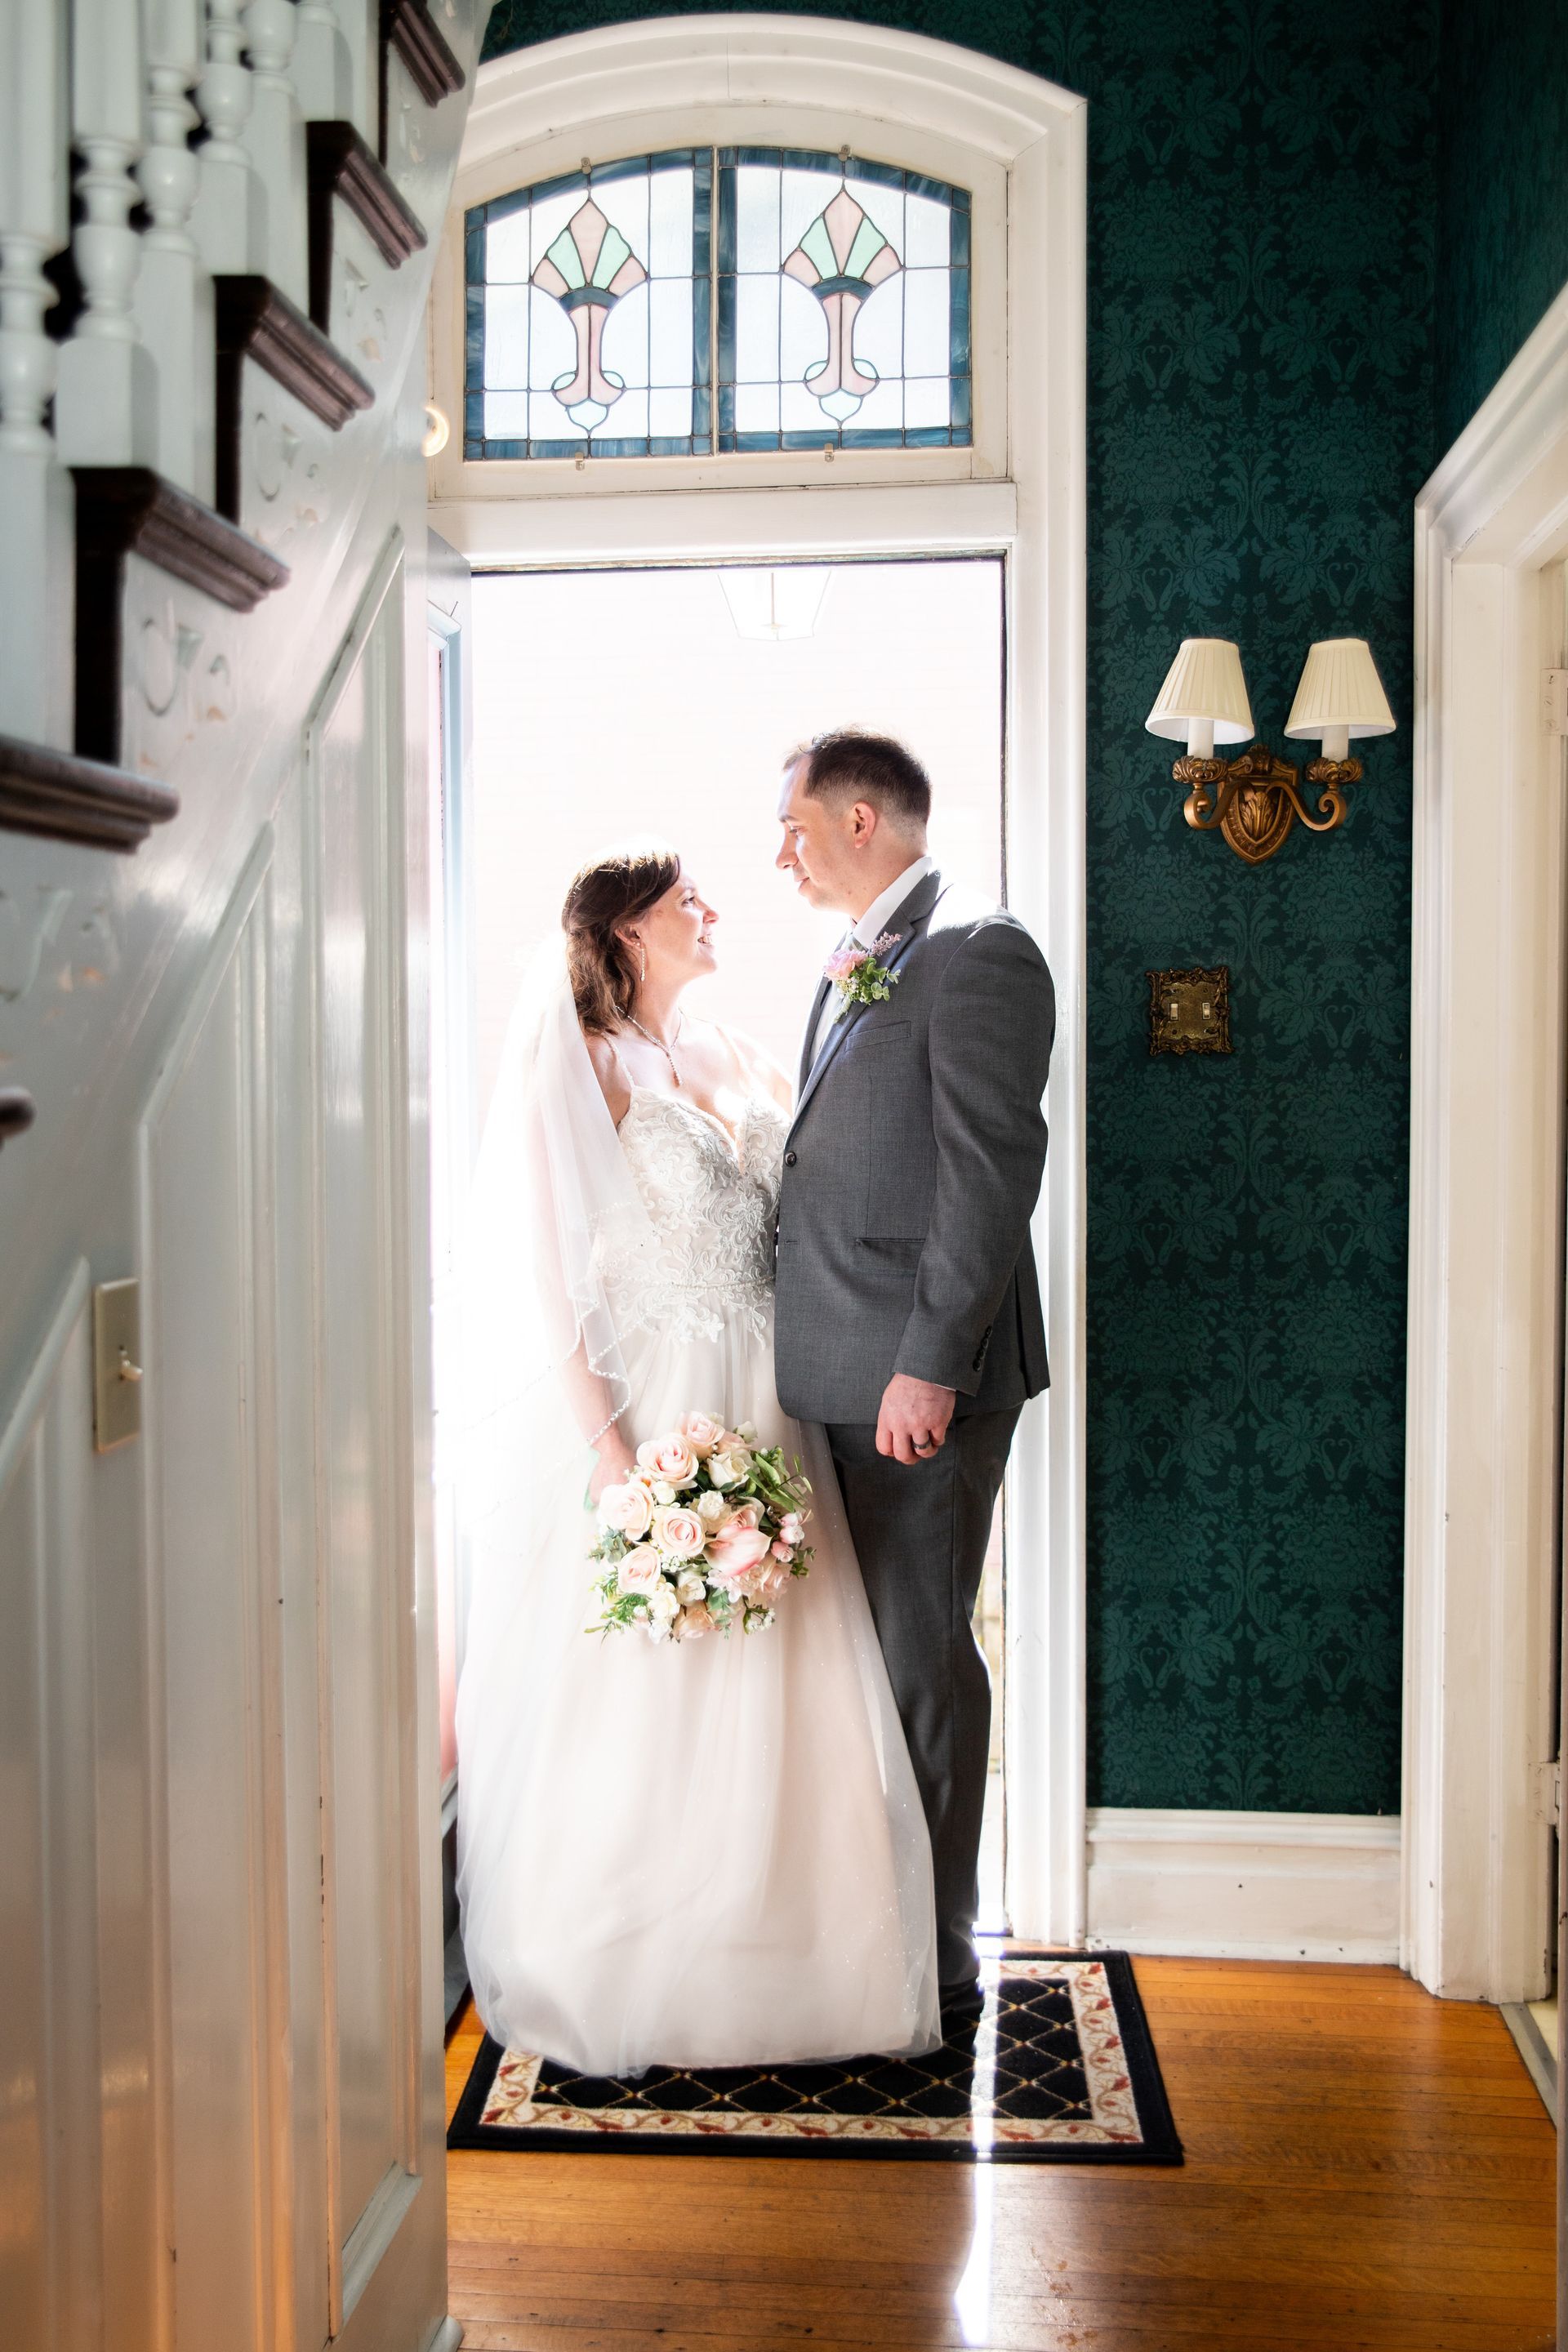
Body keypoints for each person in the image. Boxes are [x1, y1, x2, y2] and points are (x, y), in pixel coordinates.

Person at [454, 842, 938, 2078]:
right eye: (686, 903)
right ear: (626, 933)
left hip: (774, 1390)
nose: (710, 910)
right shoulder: (579, 1068)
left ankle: (787, 1946)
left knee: (791, 1664)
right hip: (664, 1399)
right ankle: (640, 1952)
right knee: (664, 1676)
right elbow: (551, 1286)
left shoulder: (730, 1053)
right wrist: (616, 1458)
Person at [773, 731, 1054, 2010]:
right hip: (830, 1377)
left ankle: (939, 1966)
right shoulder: (852, 969)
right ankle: (874, 1934)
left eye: (795, 824)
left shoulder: (976, 953)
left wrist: (931, 1366)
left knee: (921, 1662)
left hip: (911, 1383)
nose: (781, 850)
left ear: (864, 818)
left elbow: (991, 1178)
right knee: (868, 1666)